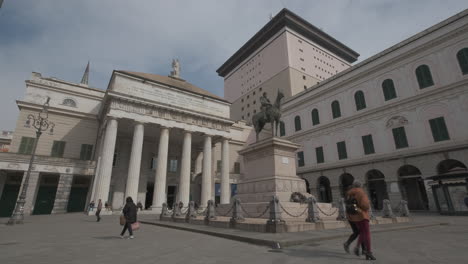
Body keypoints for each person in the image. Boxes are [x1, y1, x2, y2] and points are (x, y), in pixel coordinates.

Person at [347, 181, 376, 260]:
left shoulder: (350, 193)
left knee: (362, 233)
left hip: (354, 216)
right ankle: (368, 252)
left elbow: (350, 204)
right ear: (361, 186)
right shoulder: (361, 193)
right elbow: (365, 206)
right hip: (362, 215)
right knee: (366, 234)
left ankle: (358, 247)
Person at [343, 182, 365, 255]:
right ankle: (363, 250)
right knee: (361, 232)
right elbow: (357, 206)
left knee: (357, 232)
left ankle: (347, 243)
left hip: (350, 216)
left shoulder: (347, 196)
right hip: (356, 216)